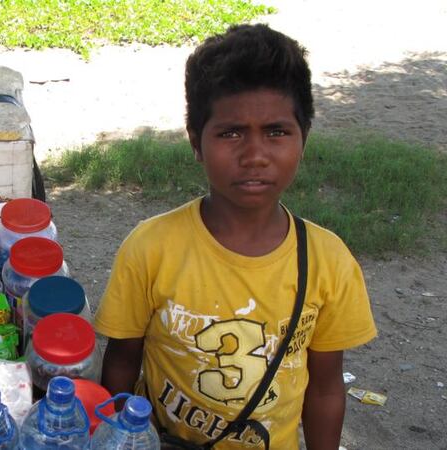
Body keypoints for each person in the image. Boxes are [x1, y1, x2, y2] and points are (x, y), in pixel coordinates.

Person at [94, 24, 377, 450]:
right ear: (196, 142)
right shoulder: (150, 247)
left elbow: (325, 389)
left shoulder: (329, 262)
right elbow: (121, 362)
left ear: (303, 139)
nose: (255, 155)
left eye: (277, 131)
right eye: (230, 133)